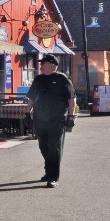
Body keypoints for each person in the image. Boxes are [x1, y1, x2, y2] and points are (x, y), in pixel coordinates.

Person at [25, 54, 76, 189]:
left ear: (52, 66)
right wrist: (27, 112)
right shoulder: (38, 79)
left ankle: (53, 177)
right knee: (43, 146)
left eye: (44, 64)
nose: (41, 66)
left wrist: (71, 116)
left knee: (55, 148)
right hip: (40, 118)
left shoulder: (62, 79)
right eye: (41, 64)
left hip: (57, 119)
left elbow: (71, 99)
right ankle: (48, 172)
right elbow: (31, 97)